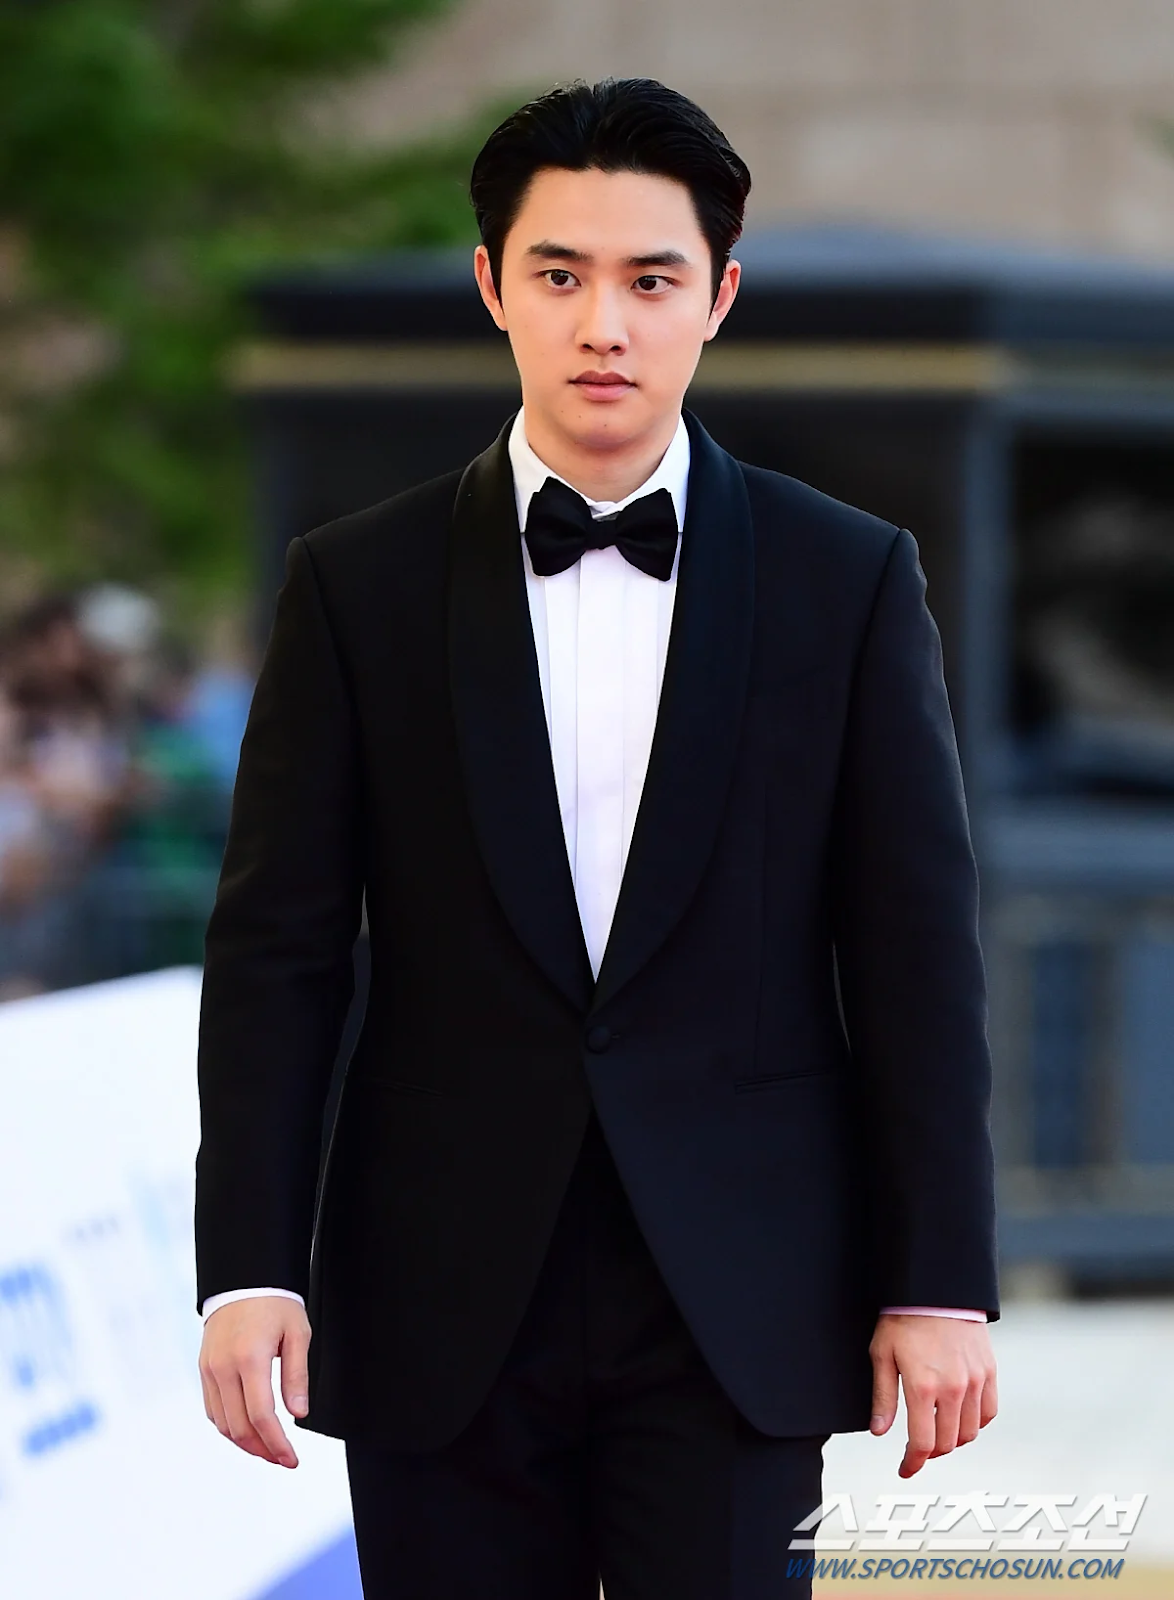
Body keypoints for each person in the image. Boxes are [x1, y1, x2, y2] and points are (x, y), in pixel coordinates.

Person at [194, 77, 1000, 1599]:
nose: (604, 325)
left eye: (651, 280)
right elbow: (276, 957)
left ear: (720, 299)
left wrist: (940, 1280)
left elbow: (912, 956)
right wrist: (248, 1265)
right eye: (559, 275)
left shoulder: (846, 581)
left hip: (740, 1292)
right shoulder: (355, 587)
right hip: (436, 1288)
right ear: (492, 285)